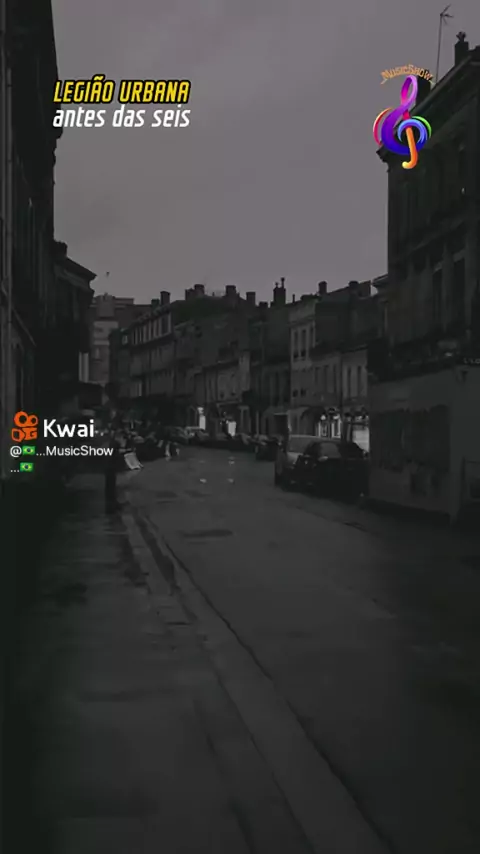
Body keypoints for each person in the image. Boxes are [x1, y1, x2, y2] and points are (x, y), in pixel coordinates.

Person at [104, 430, 122, 513]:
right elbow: (116, 457)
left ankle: (110, 504)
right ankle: (112, 505)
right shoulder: (114, 444)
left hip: (108, 468)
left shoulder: (109, 444)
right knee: (111, 486)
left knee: (110, 487)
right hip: (111, 468)